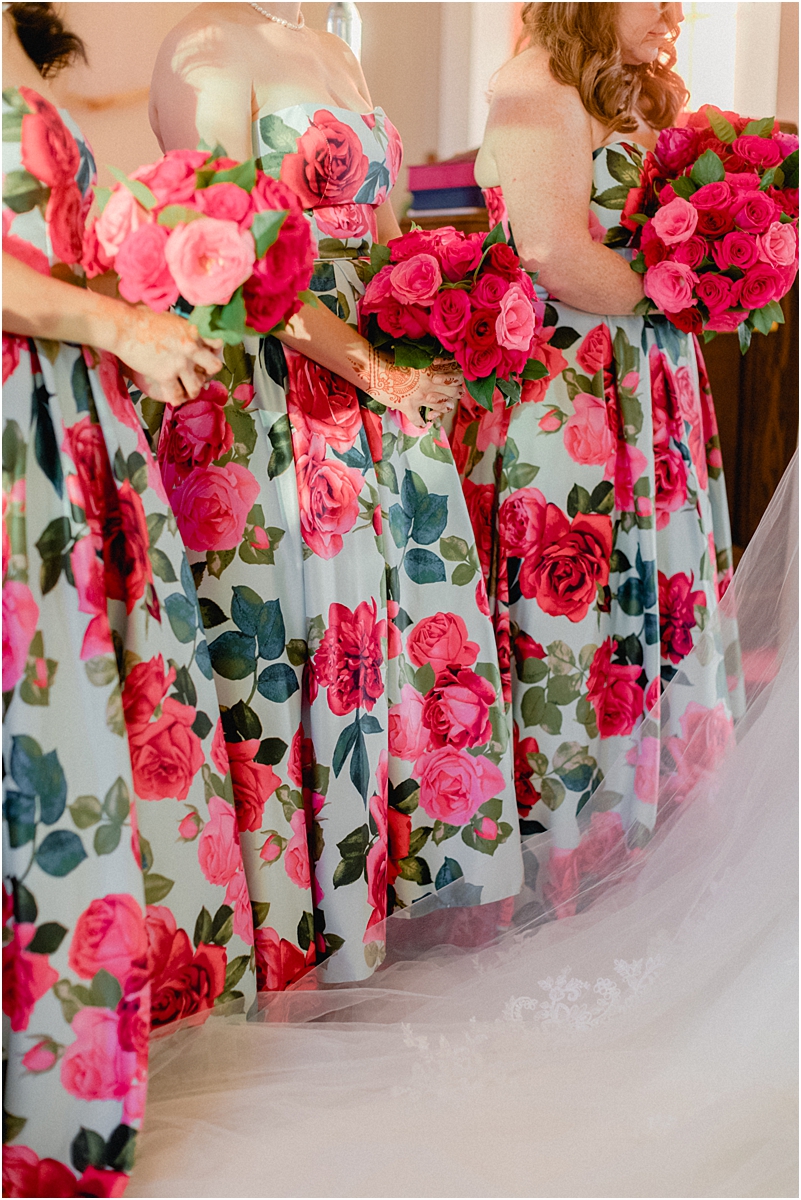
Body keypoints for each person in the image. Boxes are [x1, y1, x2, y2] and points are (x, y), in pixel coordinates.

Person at [146, 1, 524, 990]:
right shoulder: (209, 46)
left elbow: (390, 242)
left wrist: (434, 324)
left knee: (382, 646)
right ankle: (294, 936)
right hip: (276, 400)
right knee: (299, 649)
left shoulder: (329, 42)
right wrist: (373, 368)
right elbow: (228, 260)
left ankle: (375, 900)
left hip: (377, 395)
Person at [2, 5, 257, 1193]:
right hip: (20, 431)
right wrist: (121, 323)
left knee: (61, 753)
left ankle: (57, 1080)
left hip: (64, 420)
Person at [450, 1, 744, 879]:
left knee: (651, 587)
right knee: (575, 603)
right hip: (572, 388)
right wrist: (682, 295)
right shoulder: (536, 87)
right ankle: (575, 845)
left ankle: (663, 819)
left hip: (647, 376)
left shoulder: (622, 87)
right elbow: (550, 250)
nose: (671, 12)